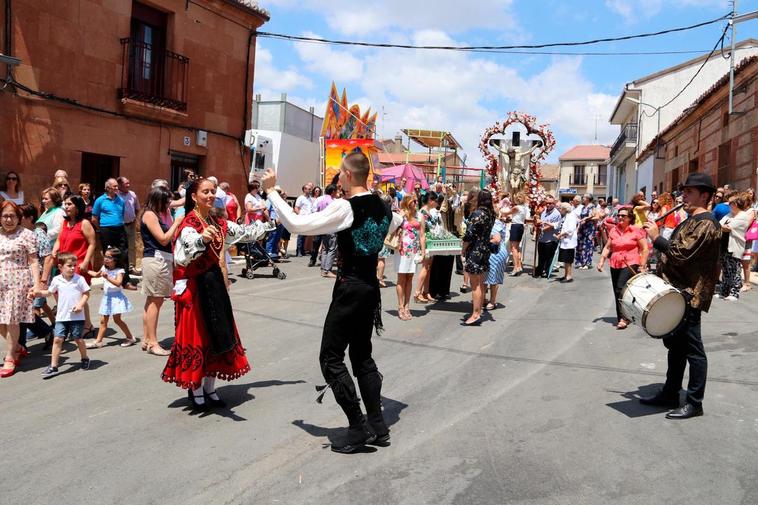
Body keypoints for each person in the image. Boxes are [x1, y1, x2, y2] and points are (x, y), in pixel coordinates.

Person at [262, 152, 402, 454]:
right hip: (369, 288)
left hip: (350, 286)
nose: (337, 177)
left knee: (330, 358)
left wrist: (272, 191)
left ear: (349, 175)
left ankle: (357, 427)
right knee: (362, 356)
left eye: (340, 173)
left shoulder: (346, 207)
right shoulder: (384, 206)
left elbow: (298, 225)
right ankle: (377, 425)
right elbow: (399, 222)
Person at [161, 178, 271, 411]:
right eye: (205, 192)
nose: (210, 195)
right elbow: (183, 255)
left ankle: (210, 388)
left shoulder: (218, 222)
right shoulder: (189, 223)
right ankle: (196, 389)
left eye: (213, 192)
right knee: (198, 337)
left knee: (218, 335)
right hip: (195, 290)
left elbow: (245, 232)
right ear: (193, 196)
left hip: (215, 286)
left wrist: (276, 222)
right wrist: (203, 239)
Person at [640, 173, 721, 419]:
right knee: (675, 348)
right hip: (676, 293)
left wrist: (656, 237)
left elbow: (681, 254)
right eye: (683, 191)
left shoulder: (706, 223)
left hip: (690, 295)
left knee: (694, 350)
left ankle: (695, 403)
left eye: (689, 192)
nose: (683, 196)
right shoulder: (689, 221)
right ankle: (670, 393)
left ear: (704, 195)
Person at [0, 201, 41, 378]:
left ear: (18, 218)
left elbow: (33, 261)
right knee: (1, 320)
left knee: (11, 319)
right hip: (0, 281)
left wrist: (37, 283)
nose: (8, 219)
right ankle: (17, 347)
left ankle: (10, 356)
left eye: (12, 216)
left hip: (18, 280)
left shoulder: (27, 235)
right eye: (5, 216)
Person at [140, 186, 183, 356]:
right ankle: (153, 342)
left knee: (152, 301)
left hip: (159, 260)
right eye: (166, 201)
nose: (168, 204)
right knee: (156, 302)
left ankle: (146, 339)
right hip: (156, 260)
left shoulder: (156, 214)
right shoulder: (150, 215)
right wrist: (177, 223)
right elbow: (164, 239)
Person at [38, 253, 90, 379]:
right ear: (60, 267)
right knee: (57, 339)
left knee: (78, 339)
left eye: (74, 265)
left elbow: (86, 293)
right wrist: (37, 293)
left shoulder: (79, 279)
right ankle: (53, 366)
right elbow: (49, 293)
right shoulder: (57, 280)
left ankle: (85, 358)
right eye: (69, 266)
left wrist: (80, 305)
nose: (72, 268)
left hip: (76, 316)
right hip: (61, 316)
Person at [50, 195, 97, 335]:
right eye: (65, 204)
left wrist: (86, 261)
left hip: (79, 265)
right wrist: (54, 250)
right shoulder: (65, 223)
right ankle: (76, 324)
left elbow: (92, 243)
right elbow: (59, 239)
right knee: (66, 294)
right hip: (65, 264)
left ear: (77, 207)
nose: (66, 206)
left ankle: (87, 326)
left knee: (80, 295)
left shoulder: (84, 223)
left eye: (69, 204)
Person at [597, 206, 648, 329]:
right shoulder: (614, 230)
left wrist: (642, 265)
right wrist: (601, 260)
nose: (619, 217)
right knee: (617, 290)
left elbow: (645, 248)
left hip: (630, 262)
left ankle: (624, 318)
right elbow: (608, 247)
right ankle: (622, 316)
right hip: (615, 262)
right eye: (618, 215)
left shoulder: (636, 230)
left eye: (623, 216)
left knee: (620, 288)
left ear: (630, 218)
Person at [86, 247, 136, 348]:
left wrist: (107, 277)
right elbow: (96, 275)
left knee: (117, 320)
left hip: (116, 298)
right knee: (103, 321)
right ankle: (98, 341)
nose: (106, 259)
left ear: (116, 260)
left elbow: (118, 283)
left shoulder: (119, 271)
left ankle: (130, 337)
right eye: (105, 256)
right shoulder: (104, 268)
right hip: (107, 298)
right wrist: (85, 271)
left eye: (109, 257)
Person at [19, 203, 54, 346]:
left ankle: (20, 345)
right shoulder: (19, 233)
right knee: (22, 310)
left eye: (20, 216)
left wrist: (42, 280)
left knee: (25, 310)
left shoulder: (38, 234)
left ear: (30, 218)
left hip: (35, 277)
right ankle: (45, 331)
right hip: (21, 277)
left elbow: (47, 257)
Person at [461, 190, 495, 326]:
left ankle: (475, 314)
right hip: (485, 249)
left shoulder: (477, 214)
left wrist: (463, 250)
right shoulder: (491, 214)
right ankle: (478, 311)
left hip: (475, 250)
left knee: (475, 285)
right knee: (481, 283)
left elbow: (469, 235)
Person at [92, 178, 133, 288]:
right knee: (109, 255)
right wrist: (100, 229)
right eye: (114, 186)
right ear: (107, 188)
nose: (117, 188)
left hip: (120, 229)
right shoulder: (100, 200)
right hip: (106, 230)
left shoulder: (120, 200)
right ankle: (108, 280)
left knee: (123, 254)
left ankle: (125, 281)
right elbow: (94, 218)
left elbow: (122, 214)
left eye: (117, 186)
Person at [717, 193, 752, 300]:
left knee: (734, 270)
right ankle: (724, 292)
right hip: (724, 245)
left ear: (736, 204)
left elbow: (728, 228)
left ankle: (734, 293)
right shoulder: (729, 215)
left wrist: (722, 226)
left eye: (730, 203)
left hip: (735, 246)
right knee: (726, 270)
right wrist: (722, 226)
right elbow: (719, 224)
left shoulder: (743, 216)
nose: (729, 205)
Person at [395, 195, 424, 320]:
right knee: (401, 278)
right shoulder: (401, 216)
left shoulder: (420, 216)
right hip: (402, 250)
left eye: (417, 201)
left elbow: (422, 235)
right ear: (407, 203)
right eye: (413, 201)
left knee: (410, 278)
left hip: (414, 250)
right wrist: (400, 215)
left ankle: (407, 306)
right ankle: (400, 307)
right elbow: (392, 228)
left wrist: (423, 252)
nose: (416, 203)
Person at [415, 191, 439, 303]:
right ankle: (417, 292)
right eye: (435, 200)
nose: (437, 202)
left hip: (431, 242)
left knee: (428, 268)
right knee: (425, 268)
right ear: (430, 201)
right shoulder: (423, 212)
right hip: (426, 243)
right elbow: (423, 231)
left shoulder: (428, 211)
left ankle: (426, 291)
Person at [485, 207, 509, 310]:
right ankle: (484, 299)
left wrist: (482, 242)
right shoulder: (491, 223)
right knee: (485, 277)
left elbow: (497, 240)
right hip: (491, 252)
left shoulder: (495, 224)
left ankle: (492, 301)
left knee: (493, 278)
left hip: (496, 252)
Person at [117, 177, 141, 275]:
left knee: (132, 247)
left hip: (131, 224)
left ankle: (131, 267)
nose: (128, 185)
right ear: (120, 185)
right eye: (126, 183)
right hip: (119, 225)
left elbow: (137, 208)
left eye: (128, 183)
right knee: (120, 247)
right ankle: (120, 267)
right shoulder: (116, 195)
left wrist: (135, 219)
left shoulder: (133, 194)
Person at [534, 197, 561, 278]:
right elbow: (541, 222)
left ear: (554, 204)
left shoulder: (556, 214)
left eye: (550, 203)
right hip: (542, 238)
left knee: (549, 257)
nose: (548, 205)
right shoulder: (544, 211)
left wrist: (541, 229)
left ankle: (546, 271)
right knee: (541, 255)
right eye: (547, 203)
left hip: (550, 239)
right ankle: (540, 269)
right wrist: (537, 226)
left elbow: (551, 227)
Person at [503, 192, 529, 276]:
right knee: (517, 248)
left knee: (513, 248)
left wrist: (502, 211)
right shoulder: (524, 208)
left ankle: (516, 268)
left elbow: (506, 213)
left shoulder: (516, 207)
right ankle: (518, 265)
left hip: (515, 226)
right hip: (520, 226)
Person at [317, 184, 338, 278]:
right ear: (333, 191)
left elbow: (317, 211)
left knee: (325, 249)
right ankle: (327, 270)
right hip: (331, 226)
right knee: (332, 248)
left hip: (323, 226)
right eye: (336, 191)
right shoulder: (332, 202)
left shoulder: (321, 200)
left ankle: (323, 269)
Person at [575, 194, 599, 269]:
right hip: (582, 227)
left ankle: (586, 263)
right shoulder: (583, 207)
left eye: (584, 197)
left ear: (588, 199)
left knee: (587, 244)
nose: (583, 198)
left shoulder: (592, 206)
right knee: (580, 244)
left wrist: (586, 219)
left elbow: (595, 216)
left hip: (589, 228)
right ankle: (580, 262)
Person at [556, 202, 579, 283]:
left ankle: (569, 276)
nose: (560, 210)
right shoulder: (566, 216)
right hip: (565, 241)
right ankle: (566, 275)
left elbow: (570, 229)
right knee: (565, 260)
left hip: (569, 242)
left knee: (568, 260)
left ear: (565, 209)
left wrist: (561, 235)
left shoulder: (571, 216)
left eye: (561, 208)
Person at [294, 182, 314, 256]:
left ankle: (302, 250)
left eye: (310, 189)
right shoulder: (300, 198)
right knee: (300, 235)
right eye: (308, 189)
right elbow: (296, 208)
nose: (310, 190)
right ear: (304, 190)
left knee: (305, 235)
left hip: (308, 218)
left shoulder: (309, 199)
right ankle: (298, 251)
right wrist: (299, 216)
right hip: (302, 218)